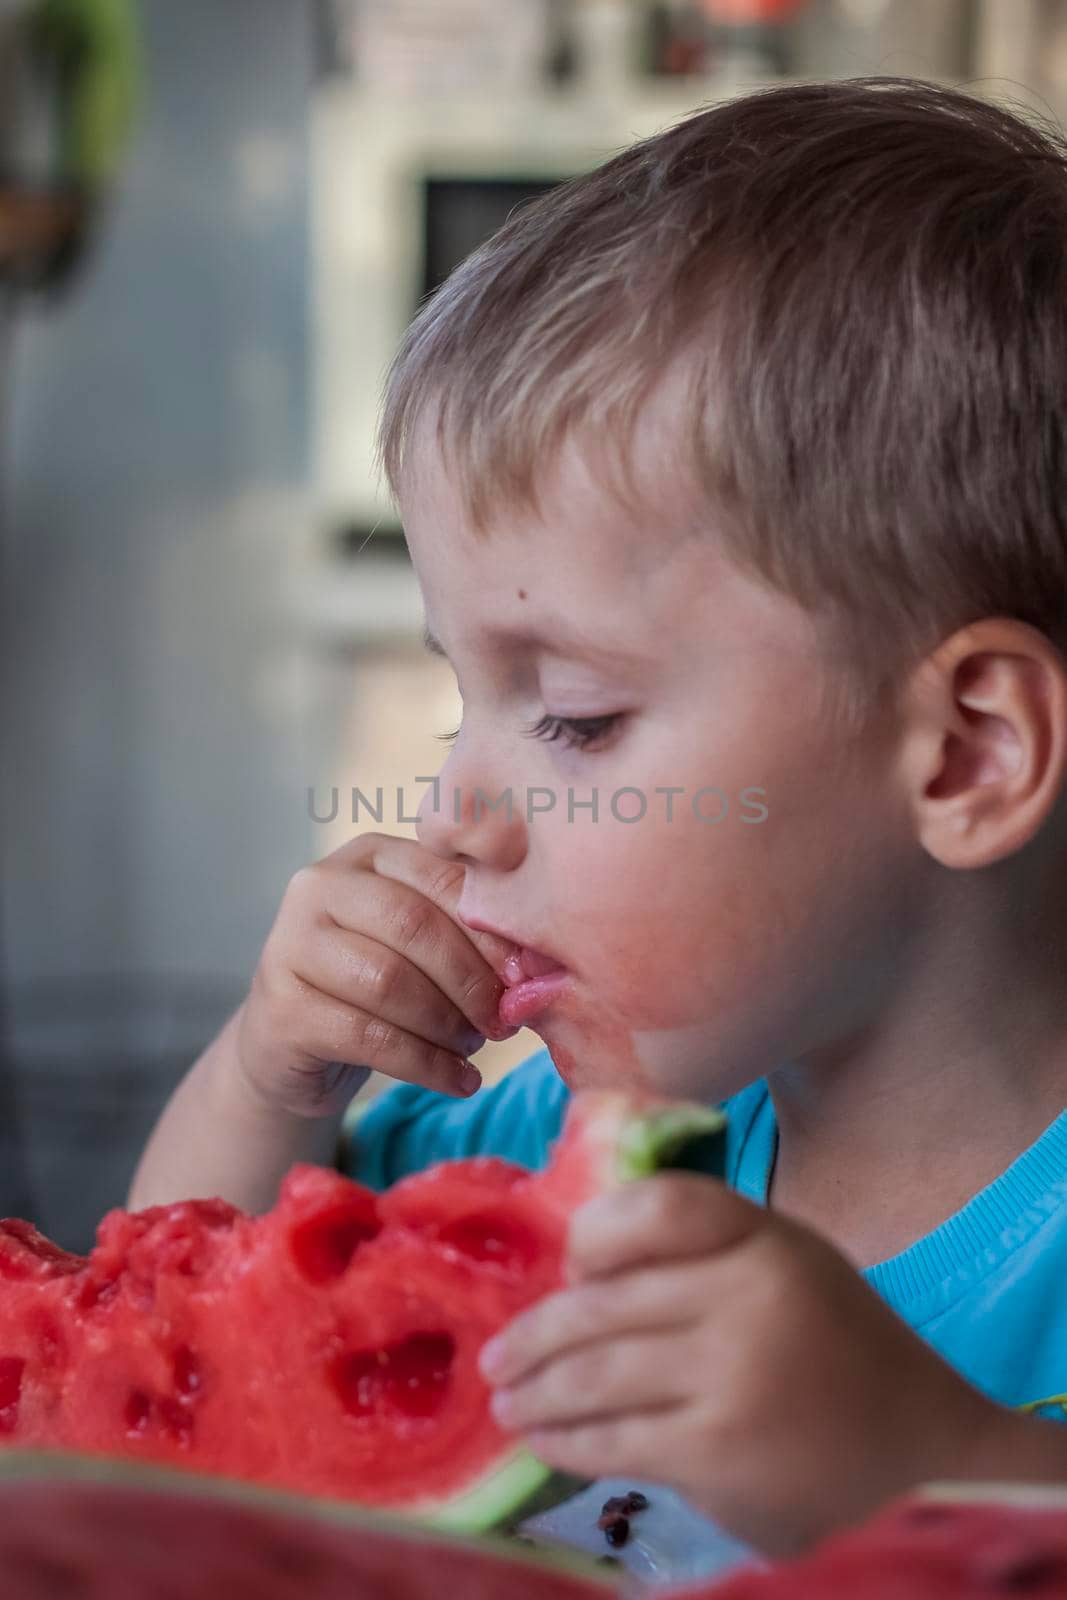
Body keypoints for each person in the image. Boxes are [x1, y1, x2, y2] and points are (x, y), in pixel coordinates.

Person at [128, 78, 1067, 1557]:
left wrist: (935, 1467)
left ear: (965, 754)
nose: (452, 814)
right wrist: (269, 1078)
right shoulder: (564, 1136)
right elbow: (181, 1353)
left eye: (572, 717)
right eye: (462, 701)